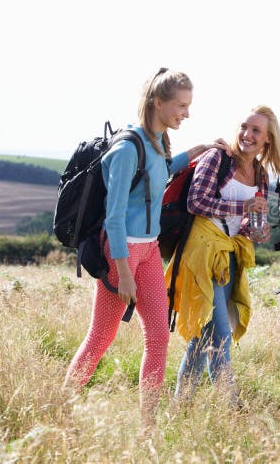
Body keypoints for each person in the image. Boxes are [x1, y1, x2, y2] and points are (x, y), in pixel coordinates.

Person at [64, 68, 229, 427]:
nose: (186, 113)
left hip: (150, 251)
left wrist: (199, 150)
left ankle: (147, 426)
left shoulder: (157, 143)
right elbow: (115, 216)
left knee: (158, 337)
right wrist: (122, 271)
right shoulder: (127, 149)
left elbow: (162, 171)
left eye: (188, 106)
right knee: (101, 337)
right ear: (158, 102)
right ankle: (64, 409)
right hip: (119, 253)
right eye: (181, 105)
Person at [169, 105, 280, 404]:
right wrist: (241, 209)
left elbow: (245, 223)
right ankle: (231, 405)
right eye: (244, 126)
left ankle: (179, 407)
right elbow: (196, 202)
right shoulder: (217, 158)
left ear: (268, 140)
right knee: (219, 334)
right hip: (201, 252)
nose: (247, 134)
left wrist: (255, 230)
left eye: (256, 130)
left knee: (201, 339)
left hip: (230, 255)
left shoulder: (260, 174)